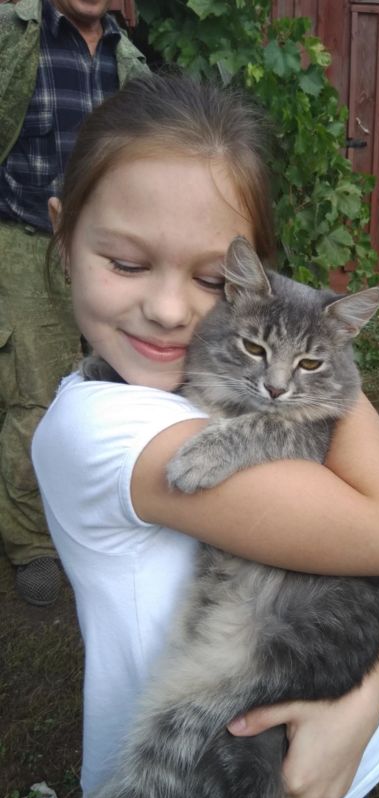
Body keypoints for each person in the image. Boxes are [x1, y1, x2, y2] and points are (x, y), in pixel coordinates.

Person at [32, 74, 379, 798]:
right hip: (229, 780)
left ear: (251, 280)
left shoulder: (194, 369)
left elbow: (370, 554)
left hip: (334, 760)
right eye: (125, 262)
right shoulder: (99, 429)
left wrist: (362, 688)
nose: (170, 311)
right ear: (63, 238)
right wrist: (321, 367)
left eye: (212, 280)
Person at [0, 0, 149, 606]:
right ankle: (32, 542)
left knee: (118, 382)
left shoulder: (129, 59)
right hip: (25, 239)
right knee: (34, 397)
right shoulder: (13, 33)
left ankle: (101, 511)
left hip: (109, 252)